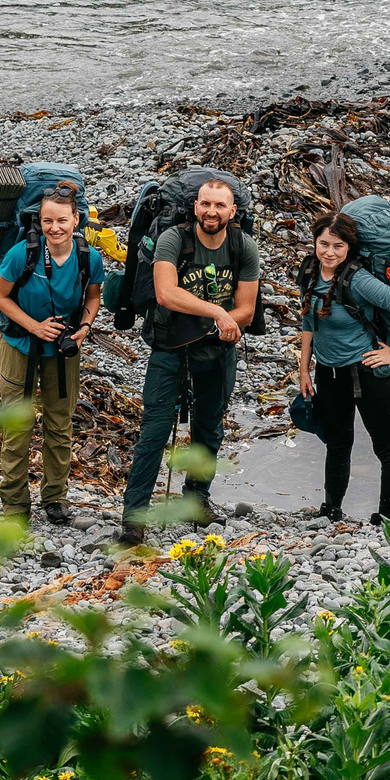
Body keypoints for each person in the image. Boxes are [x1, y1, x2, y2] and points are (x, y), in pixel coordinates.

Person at [122, 177, 259, 545]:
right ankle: (133, 517)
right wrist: (218, 311)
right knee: (154, 431)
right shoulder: (174, 240)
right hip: (169, 348)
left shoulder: (242, 246)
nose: (211, 212)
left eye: (219, 206)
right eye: (205, 204)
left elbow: (247, 308)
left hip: (217, 352)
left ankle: (197, 499)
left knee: (209, 429)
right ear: (194, 206)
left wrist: (229, 321)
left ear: (233, 212)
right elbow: (166, 294)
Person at [0, 182, 104, 525]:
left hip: (63, 347)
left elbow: (94, 297)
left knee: (59, 422)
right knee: (18, 424)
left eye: (62, 221)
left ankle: (55, 497)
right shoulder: (22, 253)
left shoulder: (88, 257)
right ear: (39, 220)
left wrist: (83, 328)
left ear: (76, 219)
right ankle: (14, 504)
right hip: (20, 344)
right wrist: (35, 327)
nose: (55, 228)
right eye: (48, 220)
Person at [295, 211, 390, 523]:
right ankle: (331, 511)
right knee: (337, 445)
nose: (329, 252)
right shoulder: (310, 272)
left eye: (338, 246)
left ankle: (388, 516)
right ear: (314, 242)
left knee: (387, 448)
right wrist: (304, 368)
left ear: (349, 248)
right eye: (323, 244)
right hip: (328, 372)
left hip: (366, 373)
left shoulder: (360, 280)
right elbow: (309, 320)